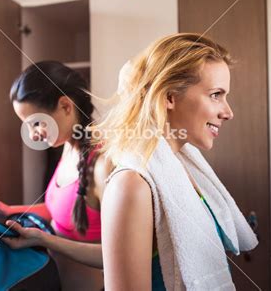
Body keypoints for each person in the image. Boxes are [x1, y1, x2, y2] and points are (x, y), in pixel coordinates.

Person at [94, 33, 258, 290]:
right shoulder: (132, 185)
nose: (228, 112)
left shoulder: (182, 168)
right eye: (215, 94)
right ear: (169, 96)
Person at [0, 61, 113, 291]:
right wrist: (9, 211)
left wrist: (44, 239)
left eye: (36, 123)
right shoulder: (69, 148)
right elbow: (61, 213)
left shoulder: (103, 164)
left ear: (66, 106)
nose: (32, 135)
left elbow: (119, 255)